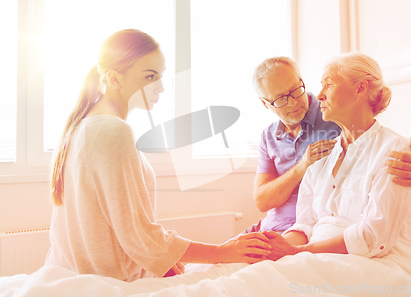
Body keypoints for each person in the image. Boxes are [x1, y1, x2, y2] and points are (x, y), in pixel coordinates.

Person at [45, 29, 271, 282]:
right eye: (150, 76)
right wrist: (224, 251)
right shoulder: (112, 131)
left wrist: (165, 261)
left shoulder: (82, 126)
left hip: (69, 277)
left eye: (161, 76)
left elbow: (120, 230)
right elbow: (139, 235)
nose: (161, 87)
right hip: (107, 283)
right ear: (114, 78)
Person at [262, 52, 411, 261]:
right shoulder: (319, 157)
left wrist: (296, 253)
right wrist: (278, 248)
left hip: (377, 262)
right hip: (314, 257)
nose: (320, 95)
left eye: (329, 84)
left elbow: (373, 238)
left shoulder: (395, 151)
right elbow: (305, 225)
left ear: (360, 88)